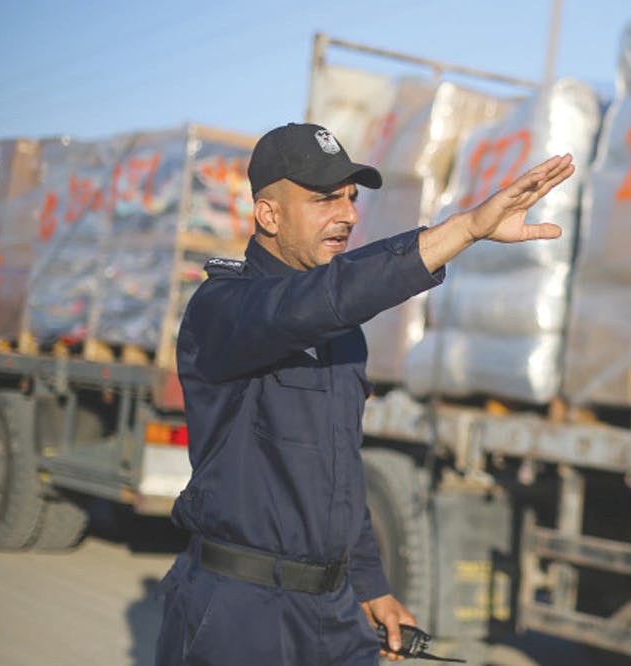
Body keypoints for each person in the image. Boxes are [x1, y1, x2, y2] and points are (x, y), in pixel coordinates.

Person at [155, 122, 574, 665]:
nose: (349, 215)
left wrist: (371, 587)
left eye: (351, 198)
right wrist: (466, 229)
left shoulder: (341, 330)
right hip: (241, 613)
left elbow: (339, 471)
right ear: (269, 214)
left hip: (332, 614)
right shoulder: (224, 309)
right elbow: (314, 302)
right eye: (325, 198)